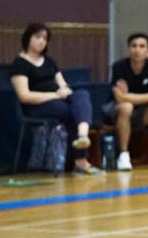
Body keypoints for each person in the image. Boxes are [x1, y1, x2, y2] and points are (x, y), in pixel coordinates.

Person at [10, 22, 98, 174]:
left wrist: (63, 91)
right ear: (27, 38)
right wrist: (54, 95)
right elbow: (24, 96)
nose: (41, 41)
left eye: (45, 38)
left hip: (58, 99)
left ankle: (83, 135)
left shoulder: (50, 62)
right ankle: (80, 161)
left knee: (82, 94)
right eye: (37, 37)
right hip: (37, 105)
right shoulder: (19, 64)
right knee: (70, 112)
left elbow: (63, 84)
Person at [106, 33, 148, 171]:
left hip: (143, 114)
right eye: (134, 46)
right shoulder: (119, 67)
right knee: (126, 106)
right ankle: (124, 155)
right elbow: (120, 98)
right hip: (119, 113)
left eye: (142, 46)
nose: (137, 50)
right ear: (128, 50)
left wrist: (130, 95)